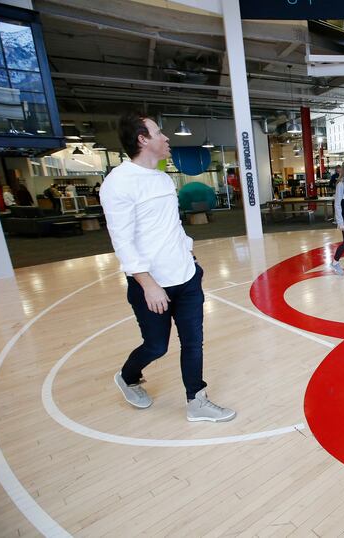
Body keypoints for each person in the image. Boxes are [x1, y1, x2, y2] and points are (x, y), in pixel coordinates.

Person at [101, 111, 235, 422]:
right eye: (159, 133)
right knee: (156, 346)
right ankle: (128, 376)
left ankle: (197, 401)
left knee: (193, 342)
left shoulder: (162, 177)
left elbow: (170, 226)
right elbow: (123, 242)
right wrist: (148, 284)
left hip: (186, 277)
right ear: (142, 139)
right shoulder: (118, 184)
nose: (166, 138)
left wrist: (189, 256)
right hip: (152, 286)